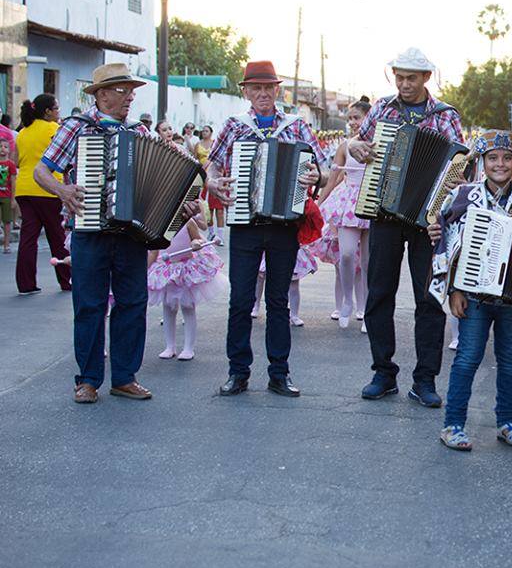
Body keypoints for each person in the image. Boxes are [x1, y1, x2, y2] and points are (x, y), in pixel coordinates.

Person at [428, 131, 512, 451]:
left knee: (511, 361)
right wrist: (453, 289)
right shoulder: (461, 196)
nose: (500, 164)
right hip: (472, 296)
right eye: (492, 158)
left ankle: (507, 423)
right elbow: (444, 240)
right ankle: (453, 425)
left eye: (507, 158)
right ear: (482, 162)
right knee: (467, 359)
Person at [347, 48, 464, 407]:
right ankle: (383, 373)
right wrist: (356, 147)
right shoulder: (381, 108)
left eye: (411, 78)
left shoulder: (445, 115)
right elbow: (356, 141)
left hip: (427, 221)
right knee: (379, 293)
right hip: (383, 211)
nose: (404, 84)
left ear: (426, 78)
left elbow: (459, 166)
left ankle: (425, 379)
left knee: (429, 298)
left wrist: (450, 193)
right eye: (399, 77)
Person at [32, 63, 153, 404]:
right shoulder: (76, 127)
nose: (130, 97)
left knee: (133, 303)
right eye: (123, 90)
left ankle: (125, 377)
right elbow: (42, 171)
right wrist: (63, 191)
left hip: (131, 234)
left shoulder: (141, 132)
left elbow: (161, 179)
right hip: (88, 231)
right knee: (89, 305)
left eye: (132, 91)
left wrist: (180, 205)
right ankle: (87, 379)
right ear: (101, 94)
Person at [204, 60, 323, 399]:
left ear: (276, 90)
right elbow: (212, 165)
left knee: (278, 301)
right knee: (240, 299)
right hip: (245, 224)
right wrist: (212, 182)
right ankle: (237, 372)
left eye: (268, 87)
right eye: (255, 88)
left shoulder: (295, 126)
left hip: (284, 225)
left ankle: (279, 373)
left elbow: (320, 168)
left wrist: (315, 176)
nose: (262, 93)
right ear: (246, 92)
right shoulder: (234, 126)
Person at [317, 98, 373, 329]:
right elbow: (332, 180)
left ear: (369, 118)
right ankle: (347, 301)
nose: (352, 122)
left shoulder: (379, 144)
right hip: (348, 202)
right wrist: (318, 205)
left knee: (368, 262)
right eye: (349, 118)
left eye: (356, 117)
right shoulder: (344, 146)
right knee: (347, 254)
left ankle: (367, 309)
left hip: (371, 203)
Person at [147, 214, 226, 360]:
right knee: (168, 308)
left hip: (185, 269)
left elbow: (199, 239)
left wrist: (196, 243)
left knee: (188, 307)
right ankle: (170, 346)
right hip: (166, 270)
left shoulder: (187, 222)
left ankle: (188, 347)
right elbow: (154, 249)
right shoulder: (158, 223)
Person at [14, 95, 70, 292]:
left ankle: (26, 283)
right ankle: (67, 280)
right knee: (57, 236)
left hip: (24, 189)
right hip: (48, 188)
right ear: (47, 111)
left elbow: (17, 161)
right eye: (56, 108)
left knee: (28, 238)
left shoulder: (22, 132)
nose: (58, 112)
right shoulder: (54, 129)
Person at [0, 139, 16, 253]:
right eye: (0, 146)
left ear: (9, 150)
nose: (2, 149)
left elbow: (13, 182)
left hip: (6, 195)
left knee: (7, 221)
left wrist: (13, 198)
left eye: (5, 147)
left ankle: (6, 244)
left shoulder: (11, 164)